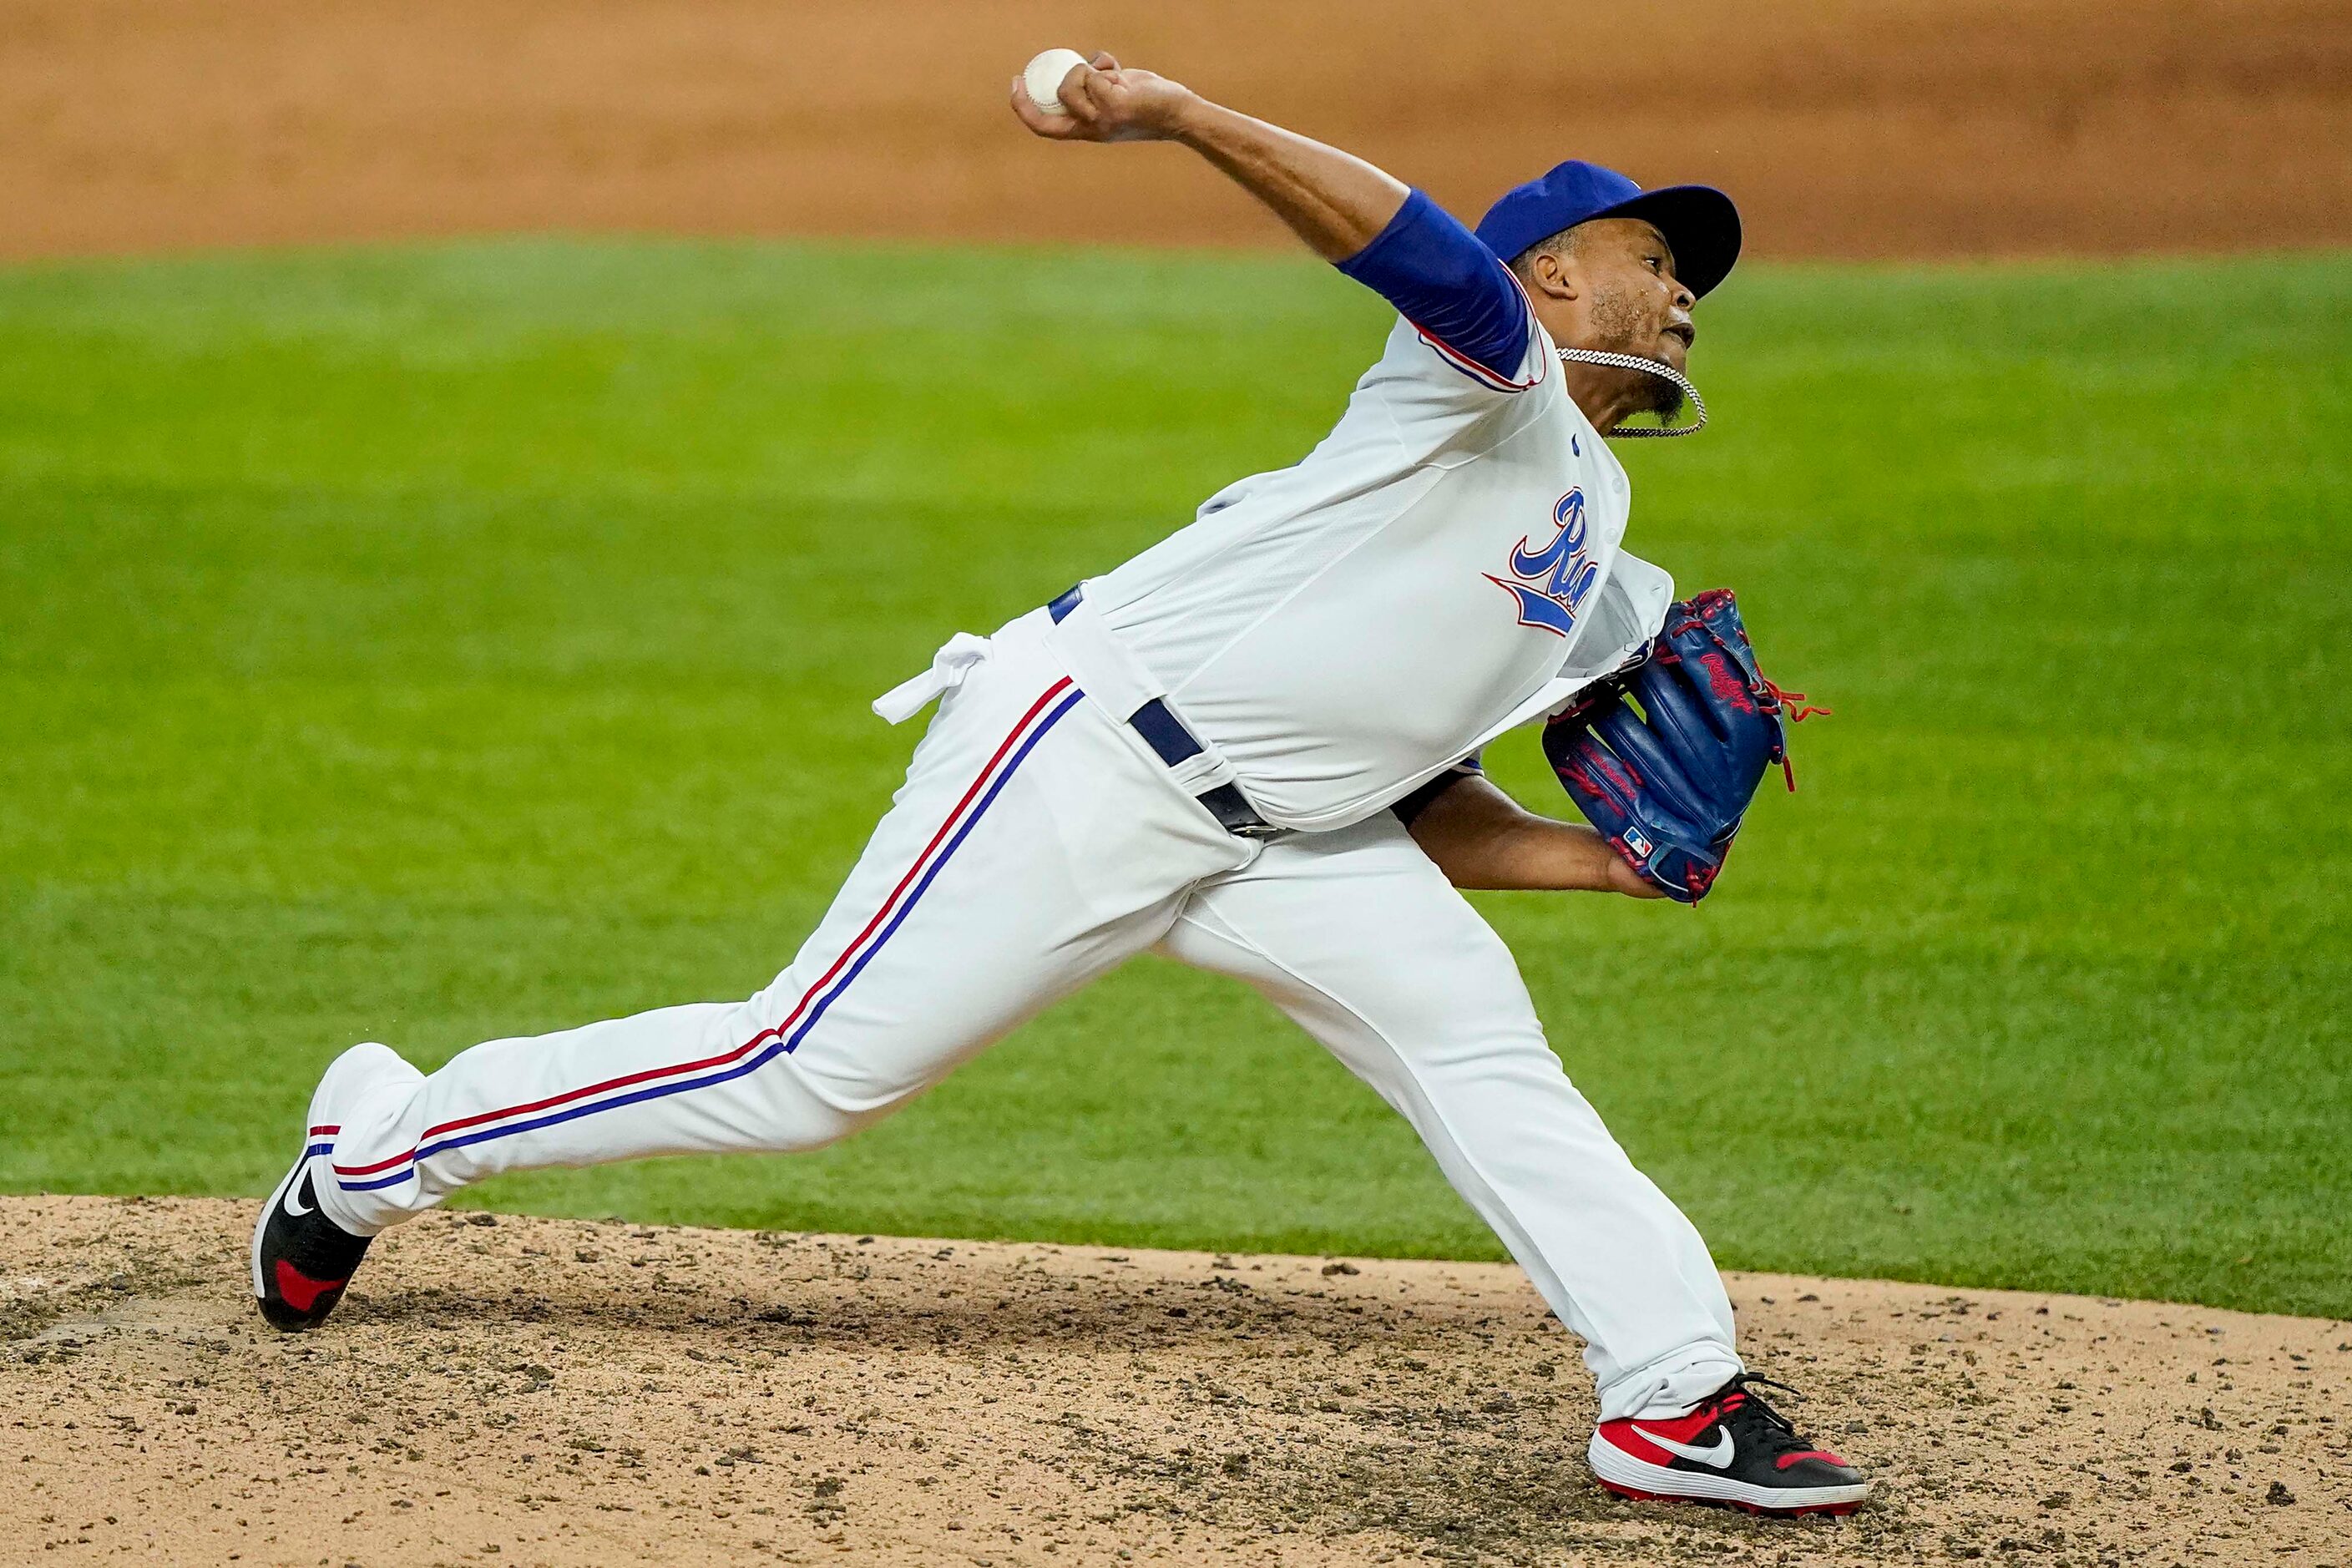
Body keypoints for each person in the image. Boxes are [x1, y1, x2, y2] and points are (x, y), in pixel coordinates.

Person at [252, 52, 1869, 1516]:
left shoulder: (1596, 574)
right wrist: (1174, 115)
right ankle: (378, 1146)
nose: (1681, 297)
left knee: (1472, 1034)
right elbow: (1417, 248)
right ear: (1551, 273)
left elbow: (1412, 786)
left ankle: (1669, 1395)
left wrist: (1594, 863)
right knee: (804, 1074)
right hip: (1088, 761)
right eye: (1654, 262)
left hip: (1282, 839)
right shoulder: (1481, 380)